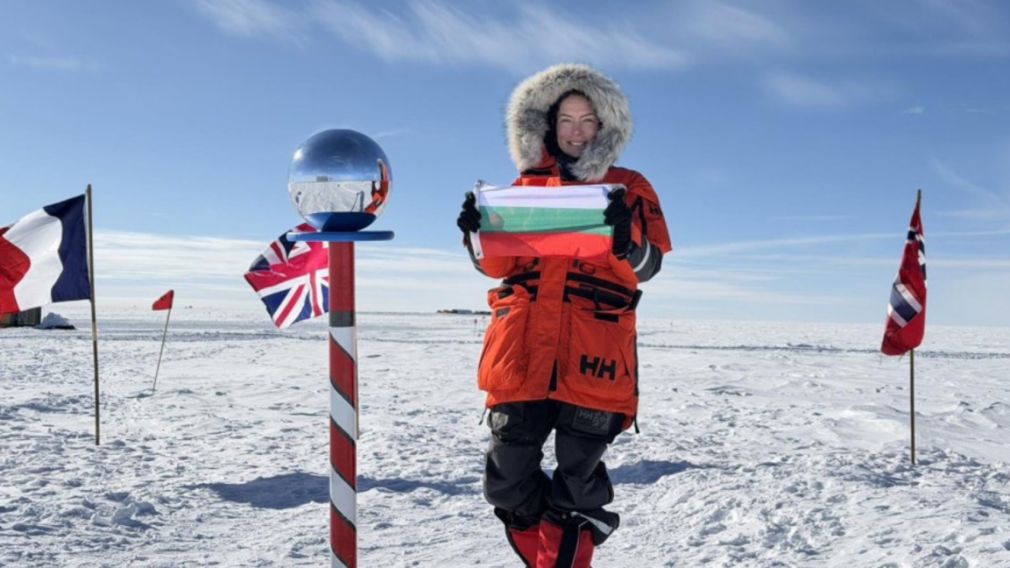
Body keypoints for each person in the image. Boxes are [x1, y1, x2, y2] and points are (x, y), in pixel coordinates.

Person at [456, 64, 672, 567]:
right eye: (566, 120)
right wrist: (475, 233)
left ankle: (571, 550)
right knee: (507, 486)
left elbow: (649, 265)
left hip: (593, 357)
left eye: (587, 120)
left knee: (576, 490)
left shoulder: (629, 186)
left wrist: (626, 236)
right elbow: (498, 266)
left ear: (605, 127)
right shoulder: (523, 188)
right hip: (521, 354)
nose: (576, 131)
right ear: (547, 126)